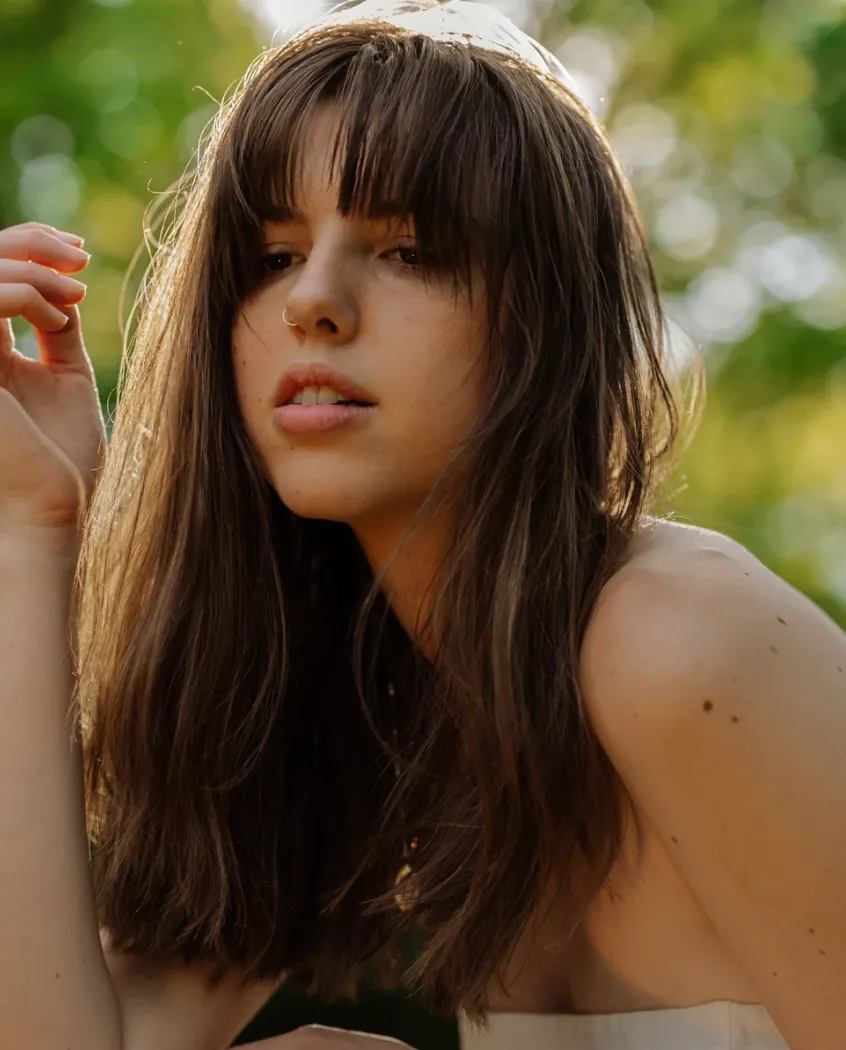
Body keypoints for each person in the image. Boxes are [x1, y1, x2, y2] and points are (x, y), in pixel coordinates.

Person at [0, 1, 844, 1048]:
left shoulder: (672, 638)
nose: (315, 300)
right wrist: (32, 532)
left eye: (407, 250)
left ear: (544, 320)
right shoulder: (375, 709)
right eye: (269, 255)